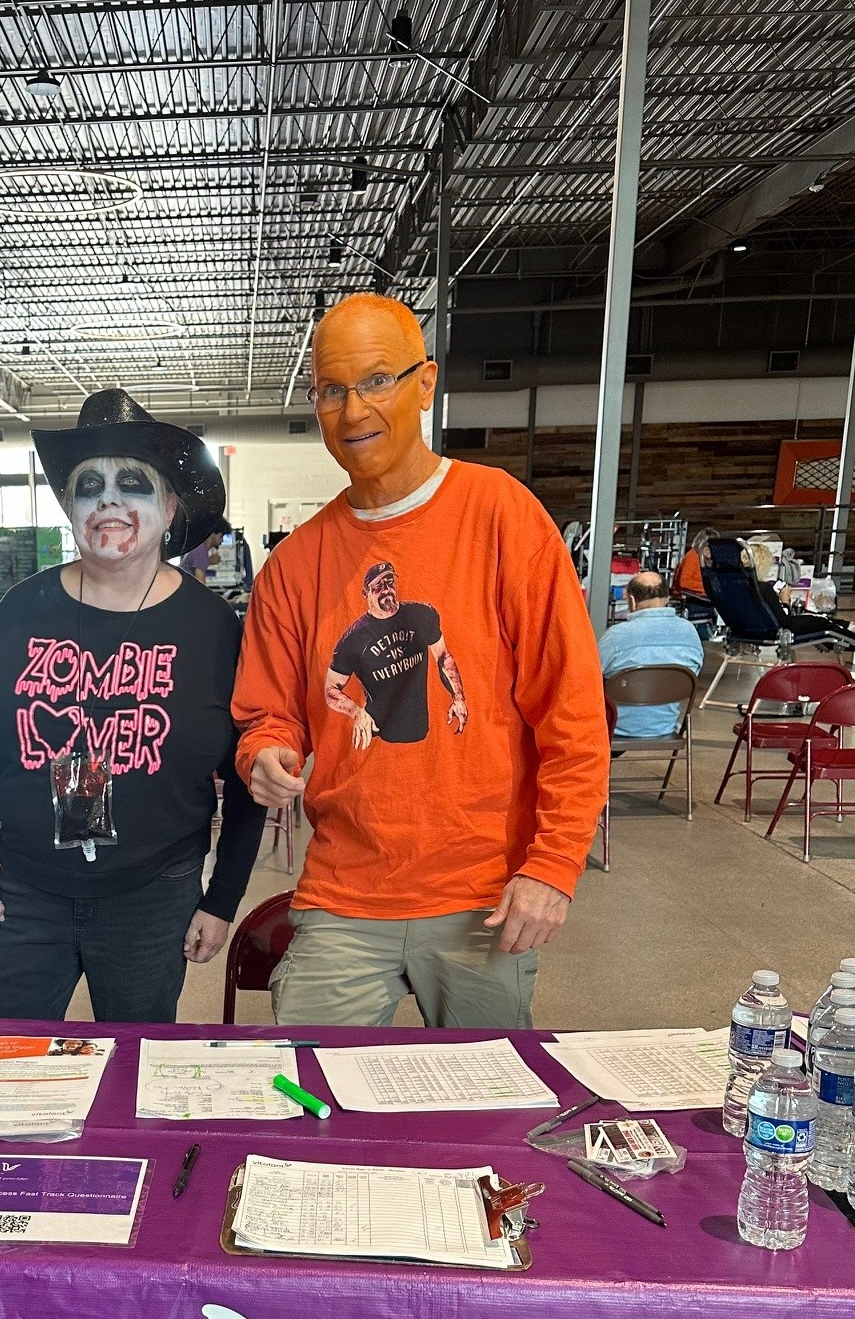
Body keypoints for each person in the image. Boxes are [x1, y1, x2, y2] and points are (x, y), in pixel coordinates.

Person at [231, 291, 608, 1030]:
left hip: (484, 893)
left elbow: (572, 711)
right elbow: (269, 709)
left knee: (482, 1109)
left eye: (376, 381)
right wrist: (266, 752)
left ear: (425, 383)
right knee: (311, 1100)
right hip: (344, 894)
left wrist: (553, 865)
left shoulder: (502, 516)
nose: (352, 410)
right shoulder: (296, 562)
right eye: (331, 390)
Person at [0, 389, 266, 1024]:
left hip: (156, 896)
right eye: (89, 484)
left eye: (134, 484)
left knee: (135, 1070)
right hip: (28, 893)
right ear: (70, 506)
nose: (110, 498)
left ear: (170, 505)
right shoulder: (20, 611)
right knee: (2, 1062)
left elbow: (247, 775)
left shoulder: (212, 628)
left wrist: (221, 899)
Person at [598, 570, 703, 738]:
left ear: (631, 601)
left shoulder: (616, 636)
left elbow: (588, 676)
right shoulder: (689, 632)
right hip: (665, 727)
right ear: (667, 599)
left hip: (612, 727)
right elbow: (694, 672)